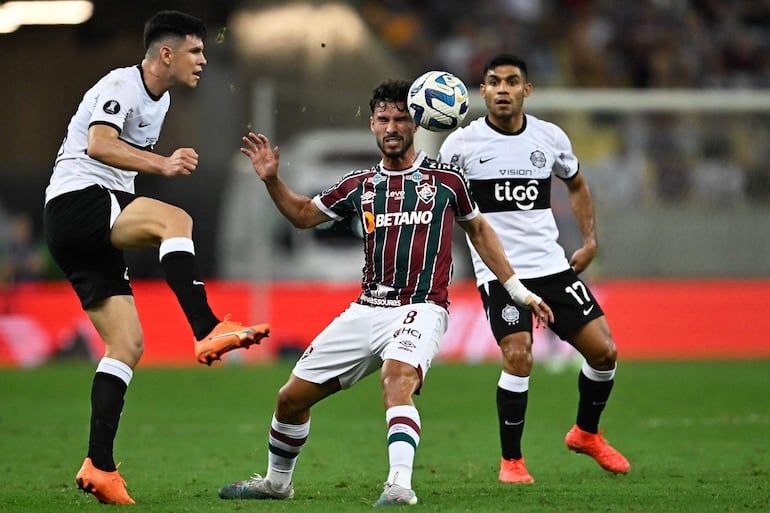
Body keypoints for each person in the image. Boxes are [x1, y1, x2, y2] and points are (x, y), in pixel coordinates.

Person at [218, 80, 553, 506]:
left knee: (397, 381)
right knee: (289, 399)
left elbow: (480, 231)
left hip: (422, 306)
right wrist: (272, 180)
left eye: (401, 118)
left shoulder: (447, 180)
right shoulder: (359, 184)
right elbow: (303, 215)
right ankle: (277, 482)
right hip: (367, 307)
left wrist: (517, 290)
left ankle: (399, 485)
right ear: (372, 124)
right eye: (383, 119)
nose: (392, 127)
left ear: (417, 123)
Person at [43, 10, 270, 505]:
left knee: (126, 346)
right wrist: (162, 164)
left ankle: (98, 465)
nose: (204, 61)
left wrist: (152, 167)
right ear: (166, 53)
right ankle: (207, 327)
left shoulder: (160, 99)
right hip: (79, 200)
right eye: (196, 51)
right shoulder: (120, 84)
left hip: (81, 222)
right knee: (176, 221)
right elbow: (99, 144)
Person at [438, 54, 631, 484]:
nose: (502, 89)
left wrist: (590, 241)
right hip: (500, 272)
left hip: (551, 266)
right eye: (493, 82)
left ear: (527, 90)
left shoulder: (549, 137)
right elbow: (441, 207)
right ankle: (512, 462)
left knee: (605, 352)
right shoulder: (462, 145)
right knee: (518, 355)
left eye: (511, 81)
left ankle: (586, 433)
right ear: (482, 91)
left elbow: (576, 182)